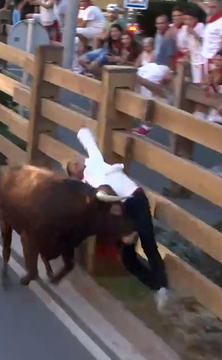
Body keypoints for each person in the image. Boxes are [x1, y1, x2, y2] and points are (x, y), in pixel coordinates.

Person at [66, 128, 170, 310]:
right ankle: (156, 285)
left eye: (76, 162)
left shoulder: (95, 163)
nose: (76, 163)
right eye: (72, 165)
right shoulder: (85, 189)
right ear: (73, 173)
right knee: (128, 259)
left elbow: (90, 145)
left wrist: (82, 132)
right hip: (120, 208)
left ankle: (162, 288)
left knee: (147, 242)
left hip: (134, 198)